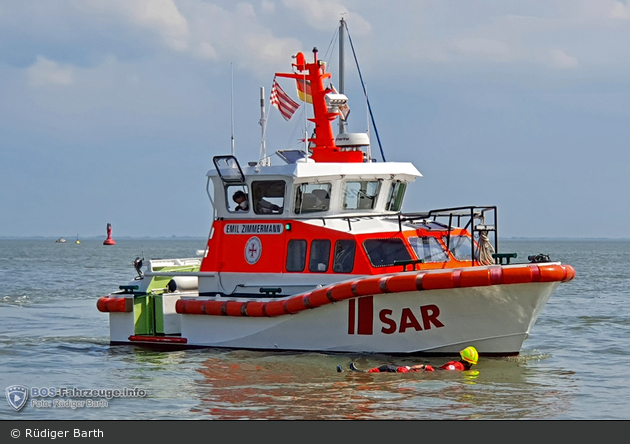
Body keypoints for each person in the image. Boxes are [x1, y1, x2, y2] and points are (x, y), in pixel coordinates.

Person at [338, 346, 479, 373]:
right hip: (421, 373)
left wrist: (423, 366)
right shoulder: (467, 371)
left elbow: (439, 371)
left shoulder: (454, 365)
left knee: (389, 367)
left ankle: (362, 372)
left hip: (416, 372)